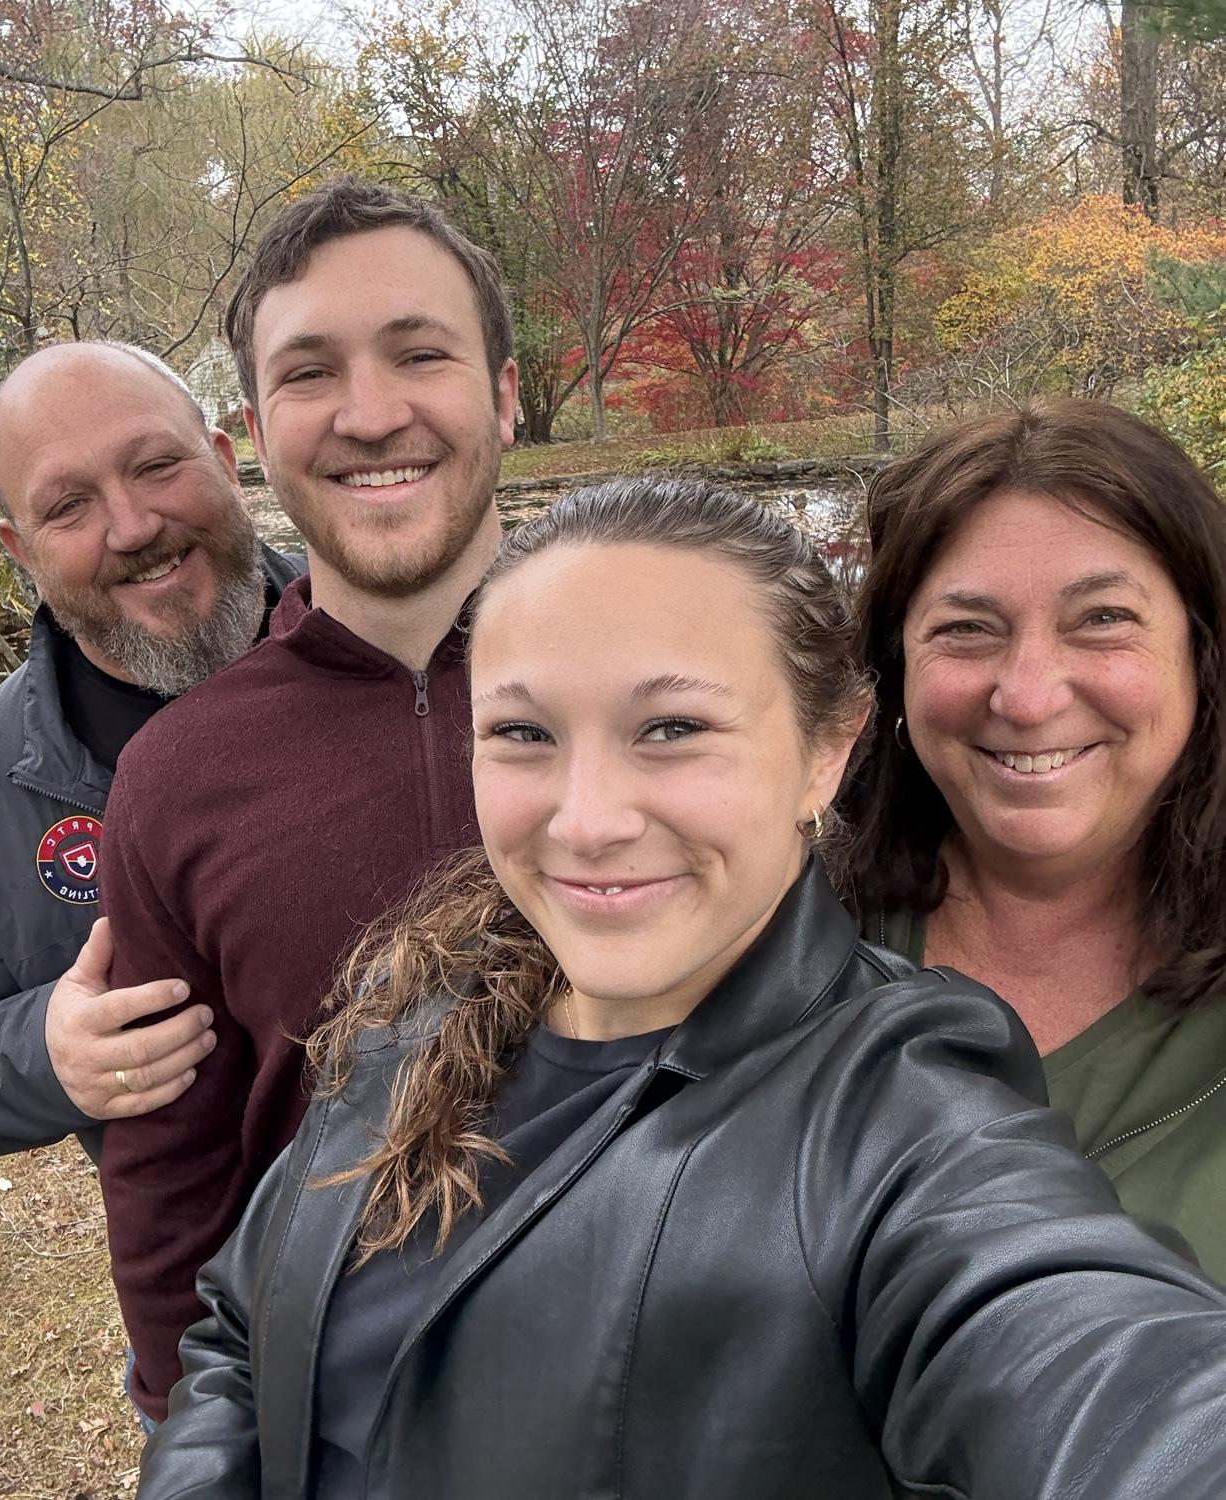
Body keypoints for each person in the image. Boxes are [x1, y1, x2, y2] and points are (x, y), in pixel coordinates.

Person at [136, 475, 1226, 1500]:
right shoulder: (423, 999)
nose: (587, 819)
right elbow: (243, 1319)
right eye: (524, 734)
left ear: (826, 751)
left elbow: (1109, 1375)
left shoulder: (895, 1116)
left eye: (673, 729)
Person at [99, 177, 519, 1422]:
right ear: (257, 430)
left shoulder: (692, 678)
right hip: (350, 1423)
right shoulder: (178, 778)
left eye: (420, 353)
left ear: (503, 390)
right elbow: (172, 1169)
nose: (370, 413)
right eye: (310, 373)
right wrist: (196, 1435)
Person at [0, 341, 303, 1164]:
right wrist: (45, 1052)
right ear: (20, 549)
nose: (134, 526)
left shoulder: (404, 643)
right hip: (217, 1251)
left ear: (224, 459)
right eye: (68, 506)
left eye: (156, 465)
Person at [837, 397, 1226, 1276]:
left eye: (1102, 619)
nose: (1028, 695)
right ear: (895, 673)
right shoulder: (783, 947)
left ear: (1202, 653)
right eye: (966, 629)